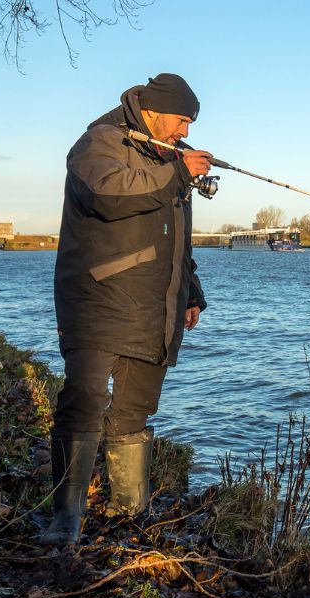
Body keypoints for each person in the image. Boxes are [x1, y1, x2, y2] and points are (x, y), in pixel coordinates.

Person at [44, 73, 213, 546]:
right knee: (82, 409)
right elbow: (107, 192)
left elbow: (174, 237)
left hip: (153, 307)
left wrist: (191, 292)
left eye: (189, 123)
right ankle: (65, 523)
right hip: (98, 301)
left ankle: (129, 517)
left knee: (134, 412)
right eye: (181, 120)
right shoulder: (99, 143)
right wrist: (179, 172)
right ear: (155, 110)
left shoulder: (165, 156)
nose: (184, 131)